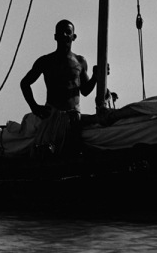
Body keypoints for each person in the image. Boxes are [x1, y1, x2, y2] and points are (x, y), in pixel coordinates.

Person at [20, 19, 101, 156]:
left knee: (72, 155)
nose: (64, 35)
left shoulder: (80, 62)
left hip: (73, 116)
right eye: (60, 32)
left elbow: (85, 91)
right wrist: (34, 107)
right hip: (52, 115)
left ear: (73, 37)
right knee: (45, 154)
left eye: (68, 32)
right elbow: (25, 83)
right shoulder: (45, 61)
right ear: (55, 36)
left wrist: (95, 77)